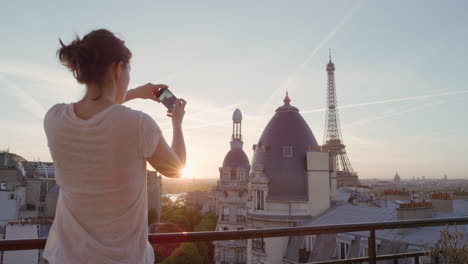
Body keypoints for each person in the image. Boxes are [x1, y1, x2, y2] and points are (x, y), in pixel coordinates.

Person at [42, 29, 186, 264]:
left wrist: (133, 93)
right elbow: (176, 168)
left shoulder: (54, 118)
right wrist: (177, 123)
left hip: (66, 257)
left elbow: (101, 111)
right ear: (118, 68)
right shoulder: (138, 124)